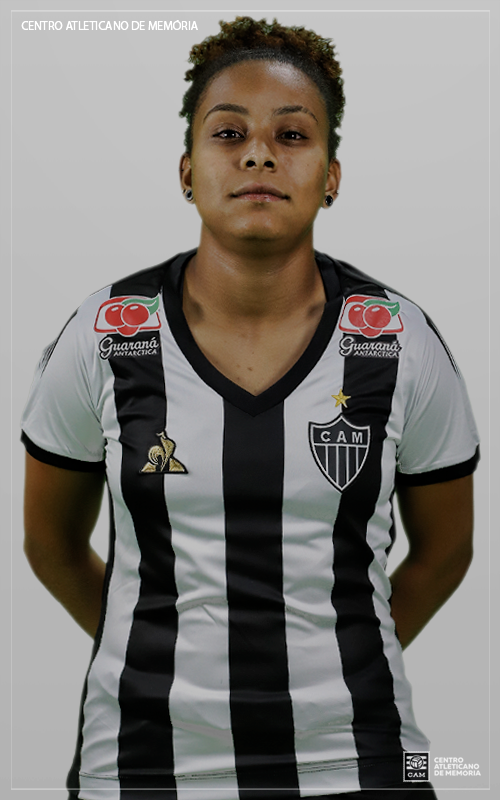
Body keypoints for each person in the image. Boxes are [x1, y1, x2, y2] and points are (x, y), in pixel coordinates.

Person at [21, 16, 479, 800]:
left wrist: (341, 661)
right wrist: (152, 651)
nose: (259, 154)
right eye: (228, 133)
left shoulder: (399, 340)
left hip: (361, 763)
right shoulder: (106, 333)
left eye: (292, 135)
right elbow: (50, 542)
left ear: (332, 175)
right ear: (186, 170)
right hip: (142, 766)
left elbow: (447, 551)